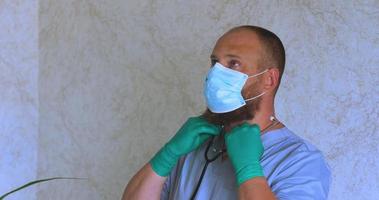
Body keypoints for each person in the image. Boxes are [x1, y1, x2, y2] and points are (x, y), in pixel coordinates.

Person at [122, 25, 331, 200]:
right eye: (215, 62)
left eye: (233, 63)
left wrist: (249, 170)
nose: (215, 74)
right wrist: (167, 155)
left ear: (269, 79)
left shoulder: (300, 160)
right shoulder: (195, 144)